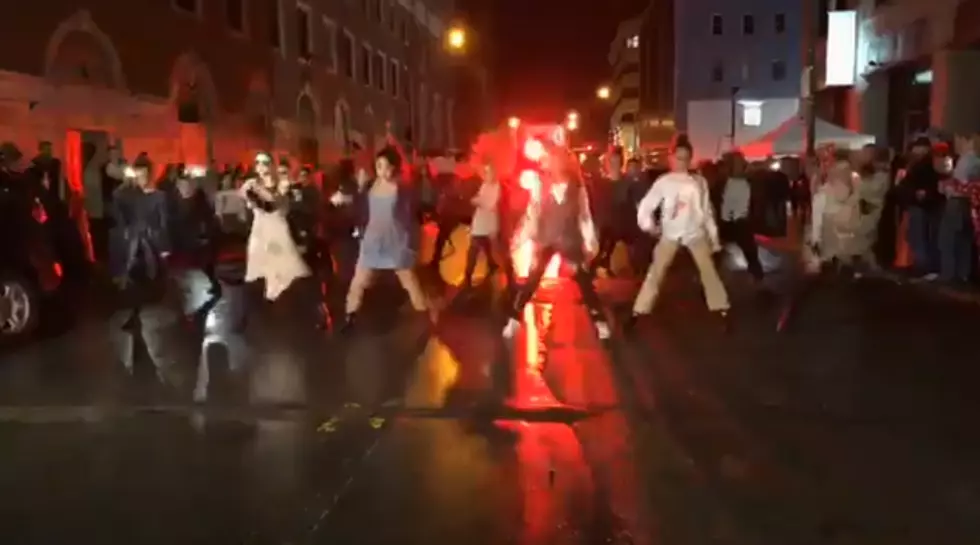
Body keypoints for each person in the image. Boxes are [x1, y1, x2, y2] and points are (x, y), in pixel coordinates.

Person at [502, 143, 608, 340]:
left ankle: (600, 322)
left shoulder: (577, 188)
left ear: (561, 162)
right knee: (532, 281)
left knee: (584, 283)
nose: (546, 163)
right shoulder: (541, 186)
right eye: (547, 159)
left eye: (551, 158)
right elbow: (532, 213)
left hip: (570, 241)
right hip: (546, 239)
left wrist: (590, 242)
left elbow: (584, 216)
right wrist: (520, 238)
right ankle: (513, 320)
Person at [628, 134, 730, 329]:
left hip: (695, 233)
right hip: (670, 234)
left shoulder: (699, 181)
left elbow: (707, 211)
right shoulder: (664, 182)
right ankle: (638, 310)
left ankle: (721, 308)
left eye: (685, 158)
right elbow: (646, 206)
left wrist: (714, 237)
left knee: (708, 271)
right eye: (678, 158)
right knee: (656, 272)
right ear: (671, 158)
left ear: (690, 159)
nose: (681, 163)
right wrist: (650, 226)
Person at [342, 146, 429, 331]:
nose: (383, 170)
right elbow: (359, 208)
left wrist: (411, 245)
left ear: (394, 168)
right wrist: (356, 190)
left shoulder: (402, 189)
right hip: (372, 242)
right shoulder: (369, 186)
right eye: (379, 165)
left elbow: (411, 217)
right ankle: (350, 317)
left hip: (394, 242)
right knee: (358, 282)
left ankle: (425, 317)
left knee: (409, 281)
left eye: (387, 166)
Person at [241, 152, 310, 301]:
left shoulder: (283, 183)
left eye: (265, 162)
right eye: (258, 163)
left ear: (272, 165)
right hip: (261, 230)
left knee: (284, 267)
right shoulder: (250, 185)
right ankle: (271, 296)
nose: (261, 166)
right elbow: (263, 206)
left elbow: (283, 206)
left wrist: (287, 194)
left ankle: (280, 297)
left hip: (278, 228)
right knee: (264, 264)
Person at [462, 159, 514, 288]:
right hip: (481, 222)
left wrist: (477, 202)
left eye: (488, 171)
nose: (486, 174)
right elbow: (481, 198)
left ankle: (508, 274)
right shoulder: (485, 185)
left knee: (492, 248)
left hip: (488, 223)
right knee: (480, 247)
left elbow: (490, 204)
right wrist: (476, 200)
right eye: (485, 172)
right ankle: (474, 274)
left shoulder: (496, 187)